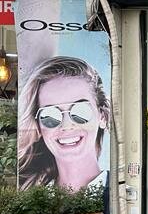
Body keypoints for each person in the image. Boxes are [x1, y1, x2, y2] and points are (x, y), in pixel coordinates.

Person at [18, 56, 110, 190]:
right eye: (50, 115)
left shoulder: (119, 195)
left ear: (102, 116)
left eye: (81, 111)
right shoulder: (28, 201)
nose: (66, 126)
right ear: (38, 127)